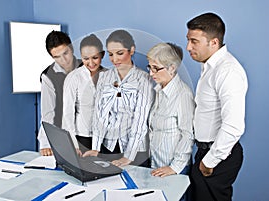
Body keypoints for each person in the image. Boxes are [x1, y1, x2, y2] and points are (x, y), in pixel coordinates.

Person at [186, 12, 248, 201]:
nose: (188, 47)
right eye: (188, 40)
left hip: (218, 156)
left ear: (213, 42)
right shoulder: (210, 67)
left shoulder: (227, 71)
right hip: (206, 151)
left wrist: (209, 161)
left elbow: (234, 125)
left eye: (194, 41)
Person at [83, 30, 155, 167]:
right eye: (110, 54)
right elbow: (99, 114)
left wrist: (128, 157)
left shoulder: (144, 80)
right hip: (108, 147)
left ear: (131, 50)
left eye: (120, 53)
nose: (114, 59)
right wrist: (96, 147)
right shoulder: (104, 77)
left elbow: (140, 120)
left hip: (135, 150)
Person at [147, 42, 194, 177]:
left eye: (155, 68)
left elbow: (188, 135)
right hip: (156, 166)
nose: (151, 73)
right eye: (150, 67)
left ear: (172, 68)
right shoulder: (158, 91)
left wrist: (174, 167)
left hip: (174, 170)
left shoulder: (183, 94)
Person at [37, 30, 82, 156]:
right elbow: (48, 113)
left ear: (71, 48)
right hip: (64, 135)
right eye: (57, 57)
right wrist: (45, 144)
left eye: (65, 53)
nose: (64, 60)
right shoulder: (48, 77)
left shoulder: (87, 66)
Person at [62, 34, 107, 153]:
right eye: (86, 58)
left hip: (105, 138)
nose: (91, 62)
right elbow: (68, 113)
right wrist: (73, 144)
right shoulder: (74, 78)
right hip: (82, 138)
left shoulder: (110, 76)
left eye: (95, 57)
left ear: (102, 55)